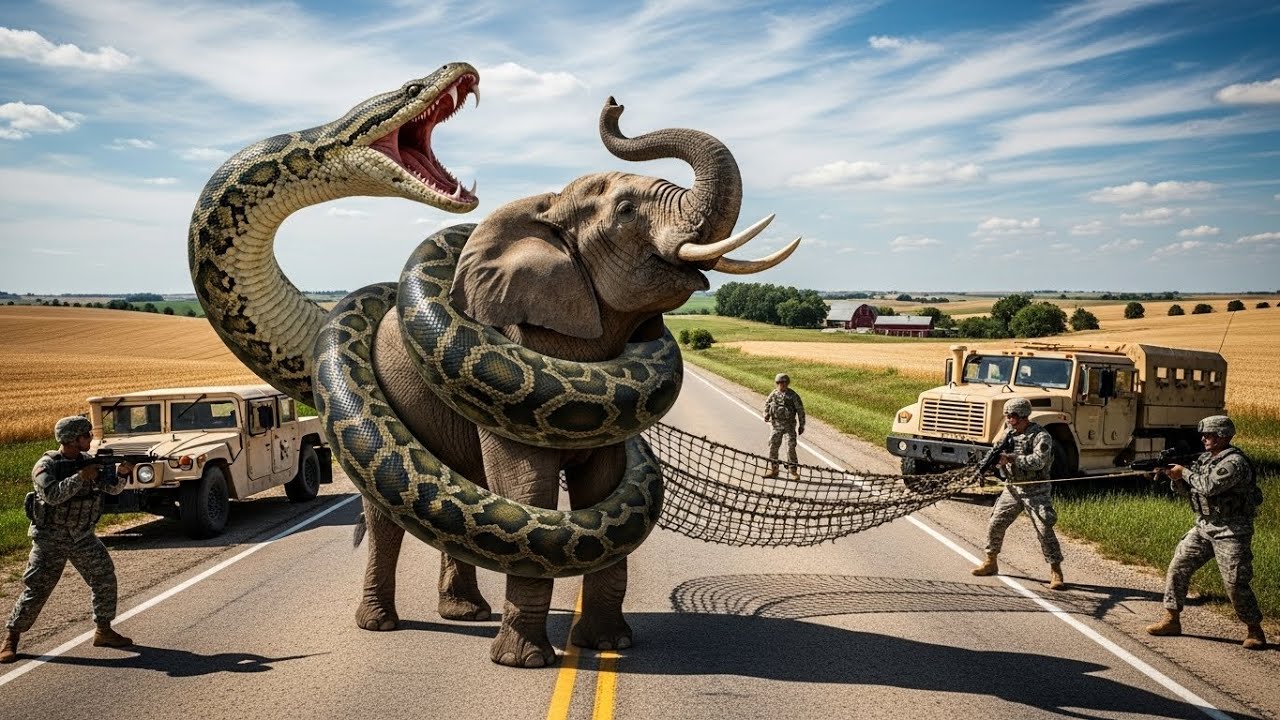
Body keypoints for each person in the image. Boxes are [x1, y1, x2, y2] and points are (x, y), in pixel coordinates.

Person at [1, 416, 134, 664]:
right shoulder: (46, 466)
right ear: (71, 439)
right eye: (86, 436)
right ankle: (11, 637)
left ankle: (103, 630)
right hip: (51, 538)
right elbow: (51, 496)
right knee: (37, 588)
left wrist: (123, 474)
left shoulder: (90, 462)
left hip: (82, 536)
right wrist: (80, 477)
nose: (90, 439)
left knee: (104, 577)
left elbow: (112, 489)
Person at [1146, 415, 1266, 649]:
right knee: (1178, 566)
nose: (1204, 439)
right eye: (1204, 435)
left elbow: (1209, 486)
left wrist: (1185, 473)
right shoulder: (1204, 459)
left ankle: (1255, 630)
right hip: (1204, 526)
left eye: (1209, 435)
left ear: (1223, 436)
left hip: (1231, 530)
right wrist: (1175, 478)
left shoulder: (1235, 463)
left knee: (1235, 582)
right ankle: (1171, 619)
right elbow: (1190, 491)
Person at [971, 396, 1066, 590]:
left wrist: (1012, 459)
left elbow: (1038, 461)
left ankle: (1056, 571)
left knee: (1044, 529)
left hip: (1035, 489)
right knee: (996, 522)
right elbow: (997, 456)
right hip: (1013, 488)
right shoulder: (1008, 434)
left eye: (1012, 416)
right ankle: (991, 561)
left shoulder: (1041, 436)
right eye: (1007, 415)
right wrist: (991, 466)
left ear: (1023, 416)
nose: (1009, 419)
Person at [762, 373, 805, 480]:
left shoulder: (793, 396)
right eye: (780, 382)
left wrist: (801, 425)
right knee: (773, 446)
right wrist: (766, 415)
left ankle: (793, 471)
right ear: (777, 383)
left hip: (789, 427)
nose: (783, 384)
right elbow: (767, 405)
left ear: (788, 383)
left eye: (785, 382)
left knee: (790, 448)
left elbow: (800, 411)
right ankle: (774, 469)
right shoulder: (774, 394)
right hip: (776, 426)